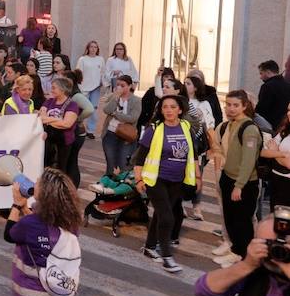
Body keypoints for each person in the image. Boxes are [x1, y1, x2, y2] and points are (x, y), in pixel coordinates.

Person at [135, 94, 198, 273]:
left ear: (180, 109)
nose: (168, 110)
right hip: (156, 179)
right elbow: (139, 158)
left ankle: (149, 246)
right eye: (165, 107)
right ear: (160, 110)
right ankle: (167, 257)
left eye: (172, 107)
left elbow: (192, 155)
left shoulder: (186, 127)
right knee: (168, 217)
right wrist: (139, 179)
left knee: (160, 215)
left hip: (177, 180)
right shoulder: (154, 129)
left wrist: (197, 178)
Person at [208, 91, 263, 262]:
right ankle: (235, 250)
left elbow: (248, 161)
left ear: (245, 106)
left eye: (235, 105)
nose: (230, 109)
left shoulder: (249, 129)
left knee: (242, 222)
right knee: (230, 219)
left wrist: (239, 186)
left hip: (244, 183)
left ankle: (243, 256)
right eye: (228, 104)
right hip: (228, 177)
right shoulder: (231, 124)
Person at [40, 76, 81, 186]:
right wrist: (57, 120)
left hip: (63, 141)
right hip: (48, 139)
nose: (51, 90)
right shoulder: (49, 102)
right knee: (46, 164)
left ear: (62, 89)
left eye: (54, 88)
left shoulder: (72, 105)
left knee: (61, 167)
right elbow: (42, 118)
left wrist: (50, 121)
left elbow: (67, 124)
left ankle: (59, 188)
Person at [98, 75, 140, 181]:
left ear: (130, 86)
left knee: (122, 164)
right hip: (110, 134)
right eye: (117, 85)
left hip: (126, 136)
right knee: (111, 164)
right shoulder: (114, 96)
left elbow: (132, 118)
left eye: (123, 85)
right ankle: (108, 185)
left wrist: (115, 114)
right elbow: (106, 110)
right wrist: (115, 98)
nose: (119, 88)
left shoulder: (136, 100)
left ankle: (120, 187)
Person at [255, 60, 290, 129]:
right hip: (284, 125)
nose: (260, 77)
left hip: (269, 124)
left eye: (261, 73)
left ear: (268, 72)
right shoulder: (288, 85)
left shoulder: (267, 86)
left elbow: (261, 109)